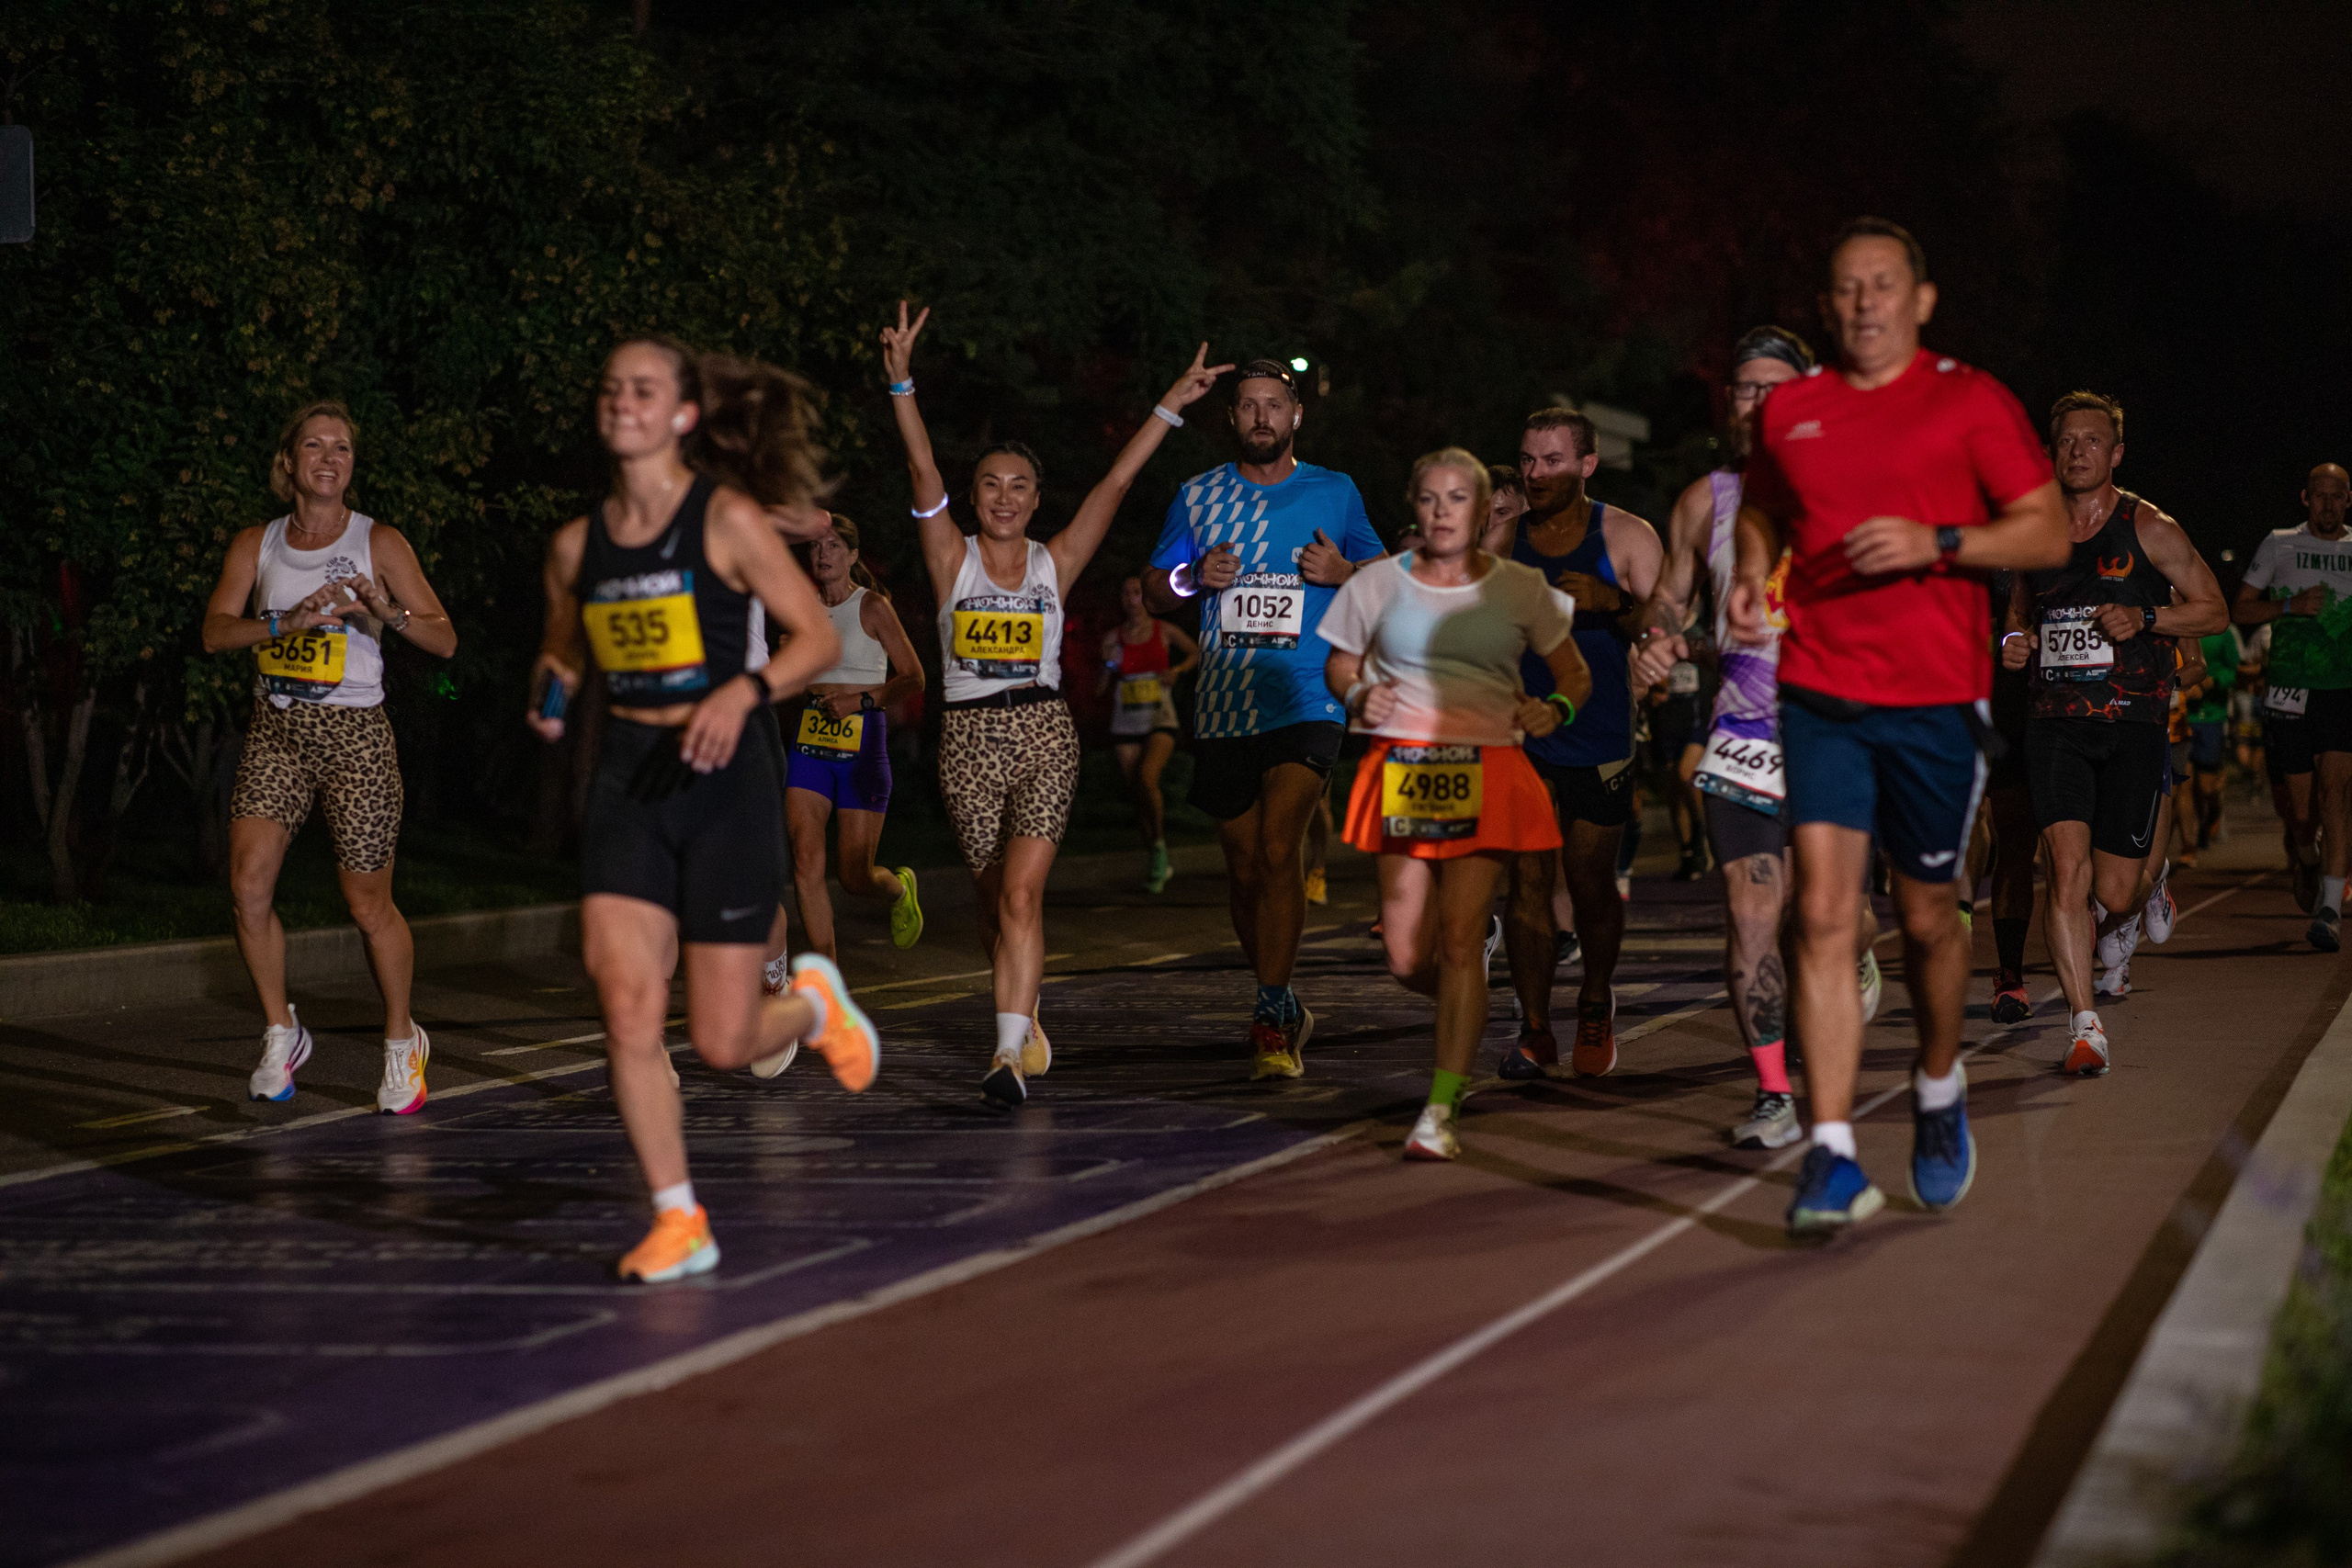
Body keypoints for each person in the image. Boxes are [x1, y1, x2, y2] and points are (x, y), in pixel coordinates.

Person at [1735, 217, 2069, 1238]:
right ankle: (1832, 1155)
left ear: (1920, 301)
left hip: (1934, 698)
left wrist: (1940, 539)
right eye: (1847, 287)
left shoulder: (1970, 401)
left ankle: (1936, 1083)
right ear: (1827, 306)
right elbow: (1761, 508)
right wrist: (1749, 571)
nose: (1864, 301)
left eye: (1883, 284)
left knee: (1927, 918)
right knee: (1824, 915)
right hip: (1819, 691)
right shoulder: (1792, 409)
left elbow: (2046, 529)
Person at [527, 338, 880, 1283]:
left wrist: (744, 691)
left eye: (644, 389)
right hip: (631, 779)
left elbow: (813, 639)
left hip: (725, 778)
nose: (622, 400)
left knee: (723, 1041)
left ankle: (812, 1003)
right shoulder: (576, 546)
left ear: (683, 415)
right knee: (626, 1004)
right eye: (611, 387)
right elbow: (565, 649)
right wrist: (552, 697)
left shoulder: (725, 519)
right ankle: (678, 1216)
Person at [885, 303, 1230, 1105]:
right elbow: (921, 470)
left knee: (1020, 895)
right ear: (974, 497)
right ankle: (1024, 1009)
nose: (1004, 498)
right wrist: (901, 381)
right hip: (968, 740)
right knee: (990, 900)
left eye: (1019, 486)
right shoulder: (951, 558)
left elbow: (1117, 482)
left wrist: (1171, 402)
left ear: (1037, 499)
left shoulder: (1057, 560)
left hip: (1043, 730)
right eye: (991, 485)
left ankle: (1006, 1055)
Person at [1319, 449, 1591, 1160]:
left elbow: (1574, 674)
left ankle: (1441, 1107)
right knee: (1407, 953)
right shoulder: (1376, 583)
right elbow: (1339, 662)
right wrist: (1358, 692)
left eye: (1459, 498)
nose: (1444, 511)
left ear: (1483, 511)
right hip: (1404, 769)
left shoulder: (1520, 588)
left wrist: (1555, 708)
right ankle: (1466, 1001)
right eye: (1431, 498)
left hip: (1486, 765)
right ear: (1415, 506)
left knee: (1461, 936)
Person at [202, 402, 458, 1113]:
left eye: (341, 447)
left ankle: (402, 1038)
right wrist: (284, 622)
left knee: (367, 904)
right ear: (288, 462)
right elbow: (216, 631)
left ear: (351, 464)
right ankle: (281, 1033)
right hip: (278, 731)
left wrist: (387, 610)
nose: (329, 457)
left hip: (356, 738)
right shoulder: (257, 543)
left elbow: (444, 638)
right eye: (314, 445)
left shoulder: (380, 541)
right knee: (248, 886)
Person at [1145, 360, 1387, 1079]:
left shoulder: (1335, 491)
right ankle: (1279, 993)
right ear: (1232, 417)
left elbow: (1393, 578)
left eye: (1274, 405)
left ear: (1296, 415)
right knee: (1246, 868)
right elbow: (1155, 590)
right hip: (1226, 700)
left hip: (1308, 694)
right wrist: (1194, 576)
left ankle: (1270, 1011)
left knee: (1282, 850)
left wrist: (1343, 573)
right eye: (1248, 405)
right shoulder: (1199, 495)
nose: (1261, 417)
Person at [1632, 325, 1834, 1147]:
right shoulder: (1703, 500)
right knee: (1751, 914)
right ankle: (1774, 1092)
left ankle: (1851, 960)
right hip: (1744, 730)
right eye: (1744, 389)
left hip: (1833, 730)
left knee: (1828, 920)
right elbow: (1669, 599)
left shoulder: (1848, 485)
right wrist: (1656, 639)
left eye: (1772, 388)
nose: (1754, 402)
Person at [2003, 391, 2225, 1074]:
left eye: (2092, 440)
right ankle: (2084, 1024)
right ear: (2052, 450)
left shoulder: (2149, 526)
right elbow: (2019, 614)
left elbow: (2213, 610)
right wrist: (2014, 641)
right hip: (2055, 725)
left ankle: (2150, 887)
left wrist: (2148, 619)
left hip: (2133, 723)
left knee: (2116, 892)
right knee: (2063, 869)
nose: (2078, 452)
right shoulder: (2034, 528)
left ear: (2116, 453)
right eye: (2067, 441)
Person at [1496, 407, 1664, 1080]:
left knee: (1590, 883)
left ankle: (1595, 998)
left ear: (1587, 464)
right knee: (1527, 882)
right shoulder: (1502, 539)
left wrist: (1612, 603)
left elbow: (1664, 627)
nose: (1535, 474)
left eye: (1552, 460)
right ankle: (1535, 1028)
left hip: (1600, 735)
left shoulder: (1627, 535)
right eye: (1527, 460)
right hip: (1522, 733)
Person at [780, 514, 926, 963]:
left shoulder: (873, 606)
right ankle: (827, 978)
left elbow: (914, 677)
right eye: (815, 546)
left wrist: (859, 701)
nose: (822, 554)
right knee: (805, 861)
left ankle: (898, 888)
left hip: (862, 745)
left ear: (853, 556)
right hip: (810, 744)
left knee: (854, 878)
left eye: (833, 546)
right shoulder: (800, 607)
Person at [2233, 463, 2352, 950]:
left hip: (2342, 689)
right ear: (2305, 498)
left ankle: (2330, 912)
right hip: (2289, 688)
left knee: (2336, 795)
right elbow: (2241, 608)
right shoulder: (2280, 544)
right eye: (2319, 495)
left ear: (2349, 499)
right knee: (2303, 814)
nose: (2328, 504)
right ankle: (2306, 854)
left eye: (2337, 495)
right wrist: (2289, 606)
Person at [1099, 574, 1199, 892]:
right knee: (1137, 795)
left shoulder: (1163, 630)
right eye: (1126, 593)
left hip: (1159, 716)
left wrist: (1176, 671)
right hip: (1126, 721)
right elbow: (1099, 689)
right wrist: (1108, 666)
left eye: (1137, 592)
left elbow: (1195, 652)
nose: (1132, 598)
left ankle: (1159, 849)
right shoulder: (1113, 638)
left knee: (1147, 777)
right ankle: (1156, 853)